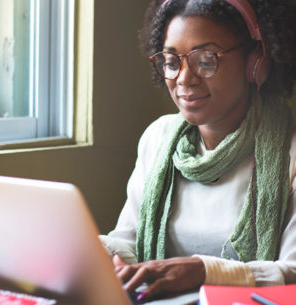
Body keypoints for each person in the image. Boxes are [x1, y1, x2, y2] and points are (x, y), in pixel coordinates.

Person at [100, 0, 296, 302]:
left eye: (205, 60)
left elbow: (292, 272)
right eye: (171, 61)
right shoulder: (158, 137)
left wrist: (204, 271)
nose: (184, 78)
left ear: (255, 62)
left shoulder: (291, 151)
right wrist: (96, 251)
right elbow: (128, 244)